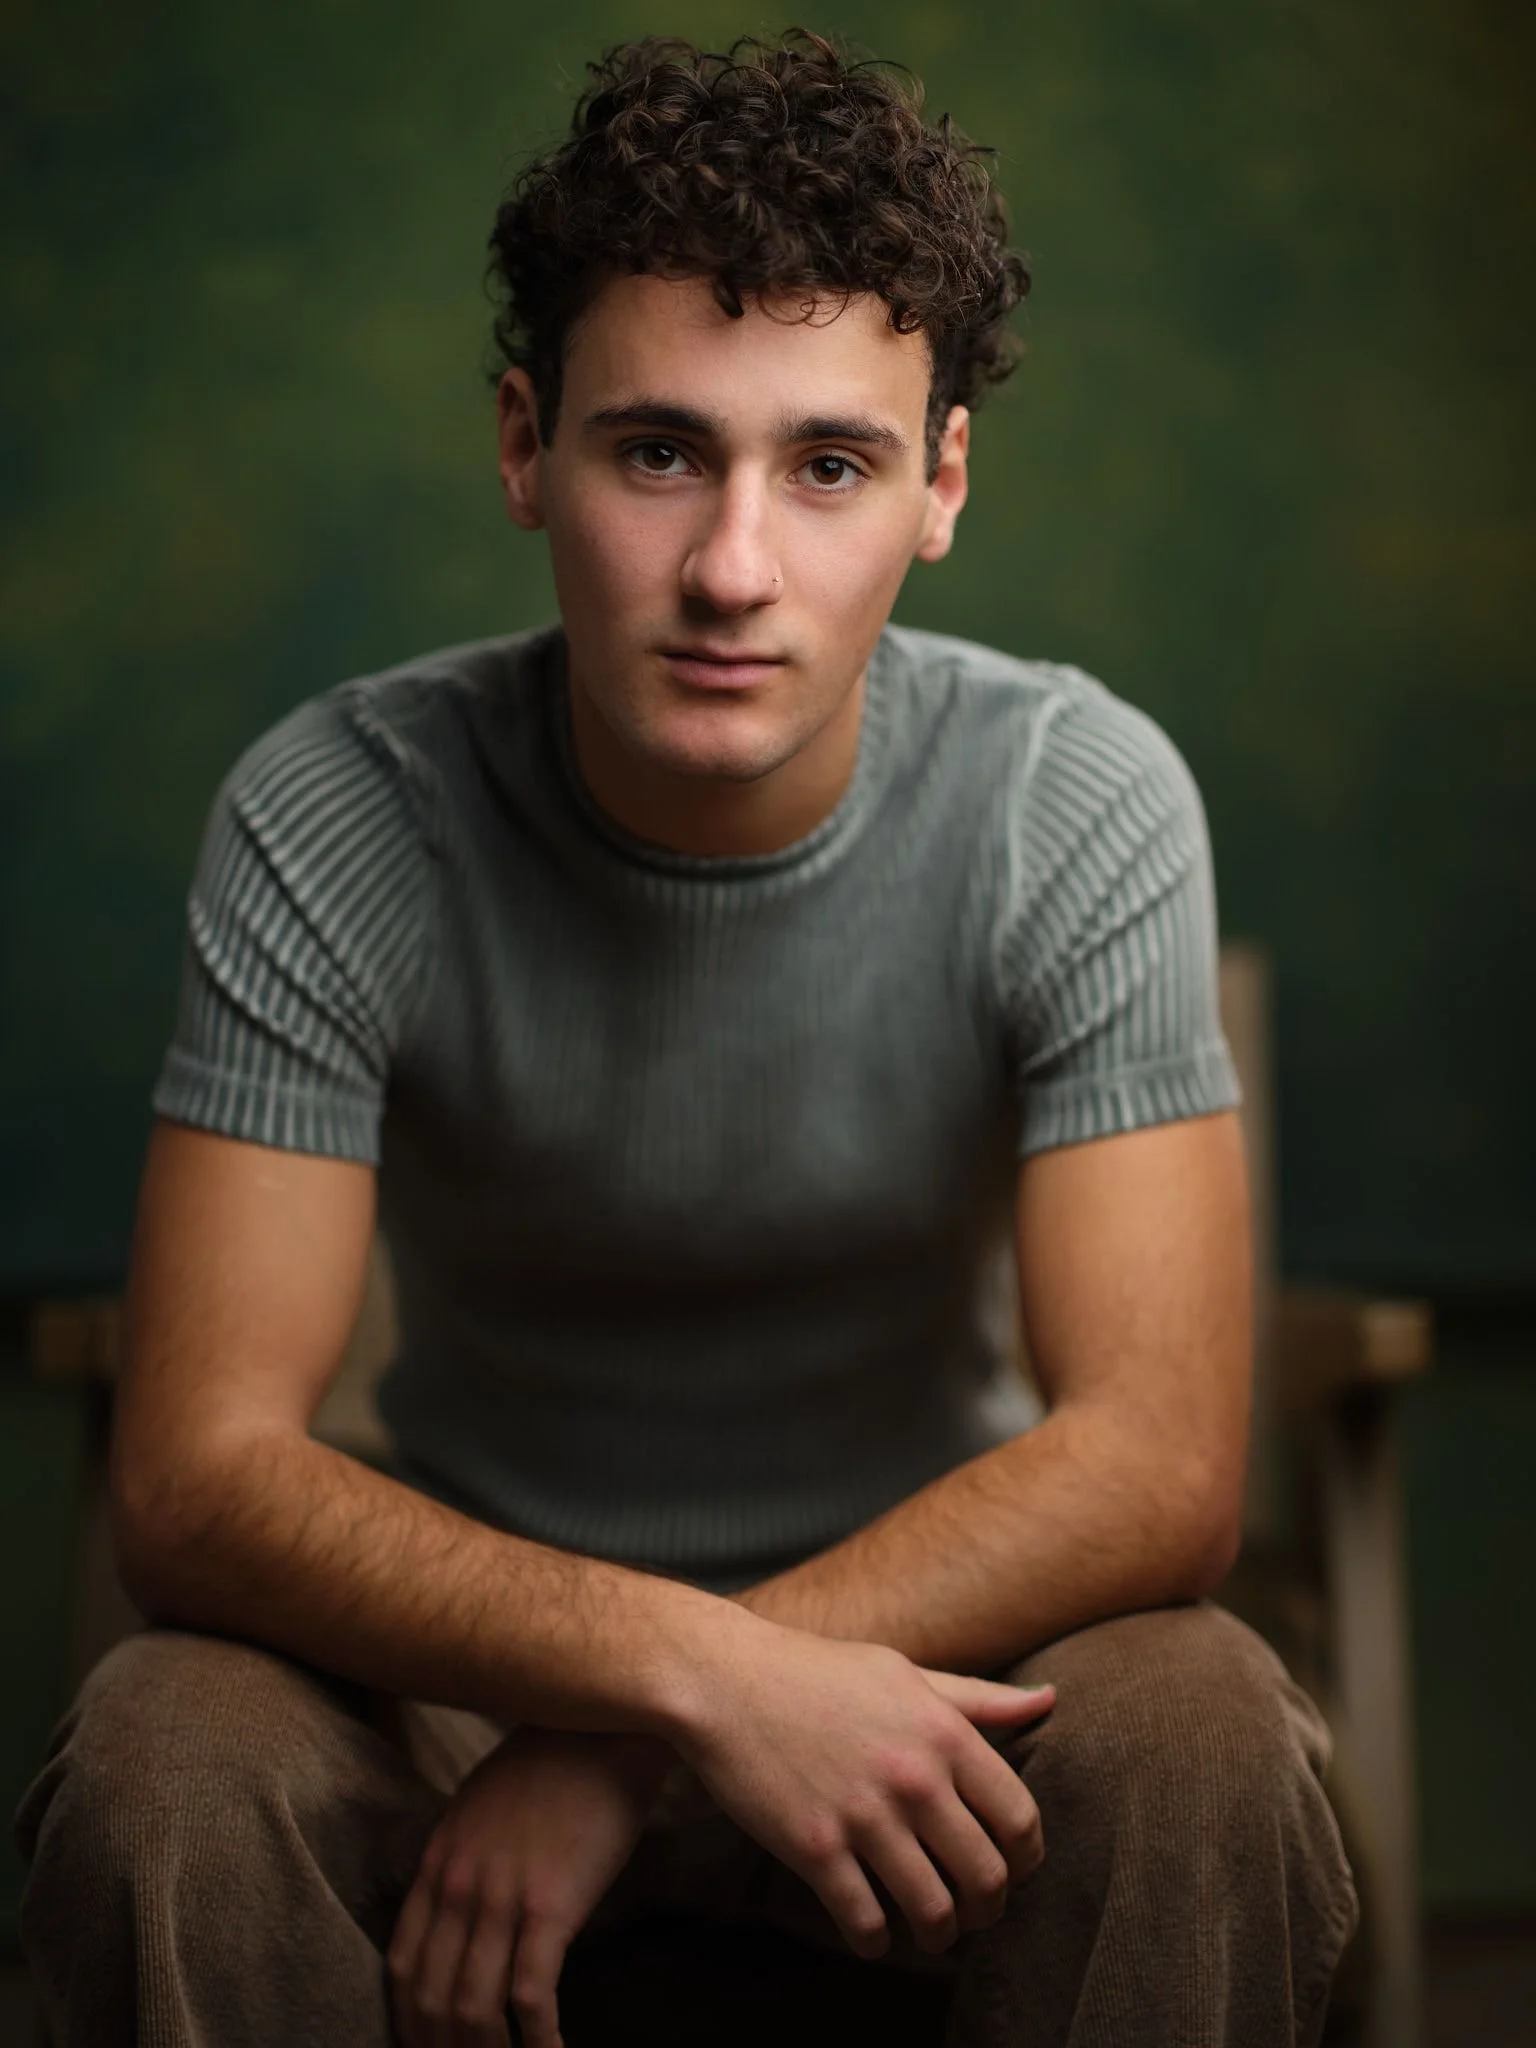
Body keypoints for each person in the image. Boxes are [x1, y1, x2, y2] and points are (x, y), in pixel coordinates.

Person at [17, 29, 1358, 2048]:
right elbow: (196, 1478)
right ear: (521, 443)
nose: (735, 568)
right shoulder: (337, 812)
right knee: (166, 1748)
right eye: (658, 452)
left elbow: (1160, 1470)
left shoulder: (1078, 798)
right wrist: (681, 1684)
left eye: (830, 464)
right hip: (472, 1691)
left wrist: (643, 1732)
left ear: (942, 488)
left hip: (946, 1665)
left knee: (1208, 1727)